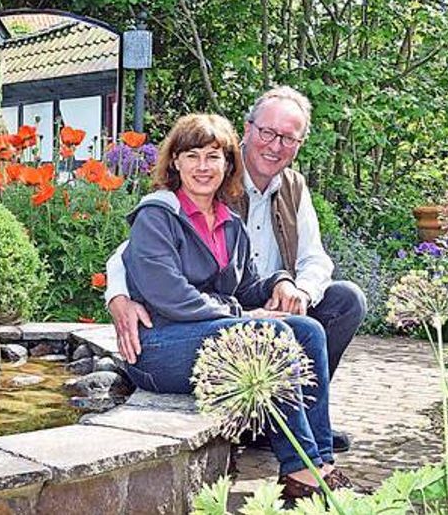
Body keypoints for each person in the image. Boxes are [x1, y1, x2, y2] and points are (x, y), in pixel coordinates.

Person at [106, 86, 366, 452]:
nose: (275, 145)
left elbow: (314, 258)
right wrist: (117, 295)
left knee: (340, 305)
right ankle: (300, 457)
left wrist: (292, 288)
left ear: (300, 143)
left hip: (256, 305)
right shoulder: (197, 190)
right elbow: (133, 252)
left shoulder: (286, 189)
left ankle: (305, 440)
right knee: (272, 334)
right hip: (196, 323)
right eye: (267, 132)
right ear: (247, 130)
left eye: (288, 138)